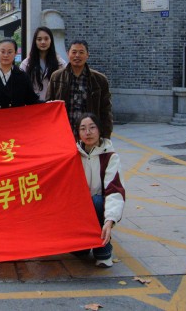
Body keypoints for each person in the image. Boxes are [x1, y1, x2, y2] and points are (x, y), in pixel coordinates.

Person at [75, 112, 125, 268]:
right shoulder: (73, 155)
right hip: (79, 210)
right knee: (80, 253)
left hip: (99, 208)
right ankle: (82, 245)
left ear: (99, 130)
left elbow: (114, 191)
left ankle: (103, 251)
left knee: (96, 201)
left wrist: (110, 220)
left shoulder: (110, 157)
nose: (88, 132)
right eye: (83, 128)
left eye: (92, 127)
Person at [45, 40, 113, 140]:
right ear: (68, 54)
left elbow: (106, 111)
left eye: (81, 52)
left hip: (89, 135)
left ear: (87, 55)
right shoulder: (57, 77)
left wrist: (105, 136)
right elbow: (49, 107)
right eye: (74, 52)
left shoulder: (99, 80)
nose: (77, 55)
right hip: (63, 133)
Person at [0, 38, 39, 110]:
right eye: (2, 51)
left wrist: (49, 104)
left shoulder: (23, 77)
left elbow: (32, 101)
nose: (6, 55)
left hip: (16, 116)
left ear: (15, 53)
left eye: (10, 52)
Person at [20, 26, 66, 102]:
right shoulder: (26, 64)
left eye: (46, 39)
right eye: (39, 39)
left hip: (53, 105)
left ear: (51, 40)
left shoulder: (60, 63)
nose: (43, 42)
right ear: (35, 41)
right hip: (34, 105)